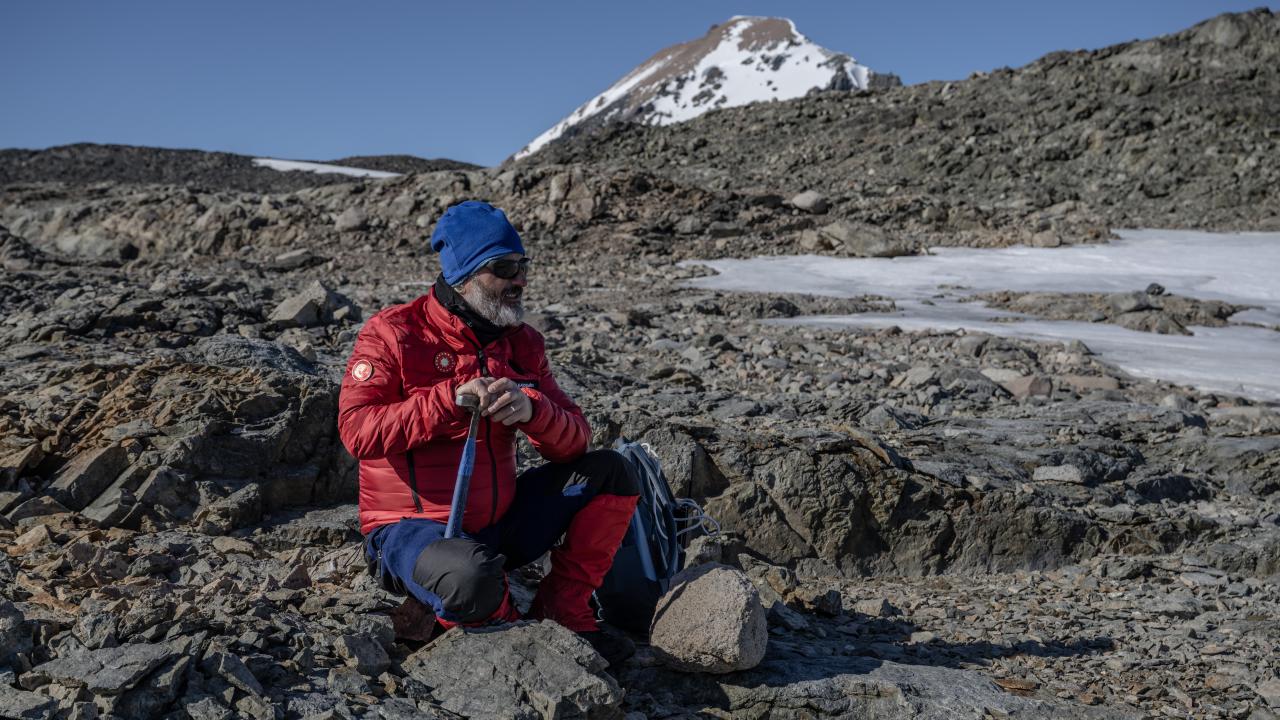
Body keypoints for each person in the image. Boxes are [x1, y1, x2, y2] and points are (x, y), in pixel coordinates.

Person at [337, 200, 639, 665]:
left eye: (523, 265)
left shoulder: (522, 342)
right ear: (466, 275)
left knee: (612, 472)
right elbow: (358, 432)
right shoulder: (394, 333)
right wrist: (446, 401)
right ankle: (513, 631)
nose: (519, 279)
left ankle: (563, 610)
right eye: (504, 267)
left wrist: (534, 412)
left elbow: (576, 440)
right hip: (409, 533)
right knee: (470, 578)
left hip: (498, 523)